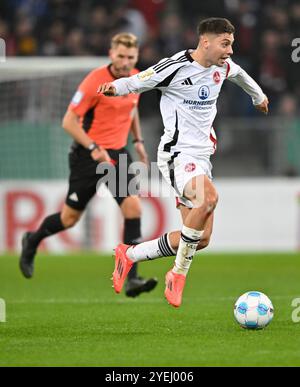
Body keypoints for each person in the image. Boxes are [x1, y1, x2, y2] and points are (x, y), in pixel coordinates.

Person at [98, 18, 269, 307]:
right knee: (209, 198)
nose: (229, 51)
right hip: (177, 155)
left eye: (232, 44)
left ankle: (129, 255)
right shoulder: (175, 67)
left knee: (201, 239)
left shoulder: (222, 67)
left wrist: (259, 97)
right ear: (206, 41)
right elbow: (139, 81)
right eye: (225, 44)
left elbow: (241, 75)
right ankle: (177, 274)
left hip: (202, 159)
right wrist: (114, 88)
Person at [19, 32, 158, 298]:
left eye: (130, 57)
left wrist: (138, 140)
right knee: (69, 219)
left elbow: (131, 108)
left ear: (136, 57)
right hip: (87, 156)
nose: (125, 62)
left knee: (133, 208)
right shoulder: (95, 80)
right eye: (120, 56)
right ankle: (32, 240)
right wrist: (94, 148)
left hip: (118, 155)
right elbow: (69, 121)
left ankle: (132, 278)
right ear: (111, 54)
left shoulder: (136, 79)